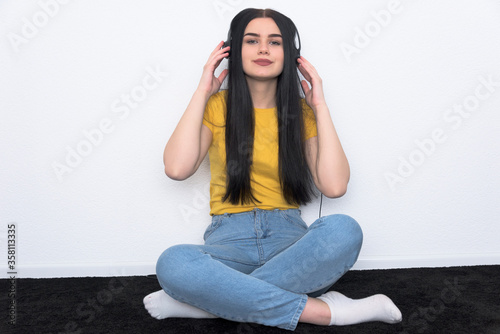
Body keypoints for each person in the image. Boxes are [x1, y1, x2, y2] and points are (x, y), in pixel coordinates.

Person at [143, 8, 402, 331]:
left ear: (291, 55)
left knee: (343, 229)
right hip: (229, 242)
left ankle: (214, 304)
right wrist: (201, 91)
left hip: (292, 247)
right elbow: (177, 168)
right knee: (174, 263)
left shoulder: (302, 114)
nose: (263, 49)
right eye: (252, 40)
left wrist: (319, 105)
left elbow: (334, 187)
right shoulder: (215, 107)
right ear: (233, 51)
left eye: (275, 42)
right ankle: (329, 312)